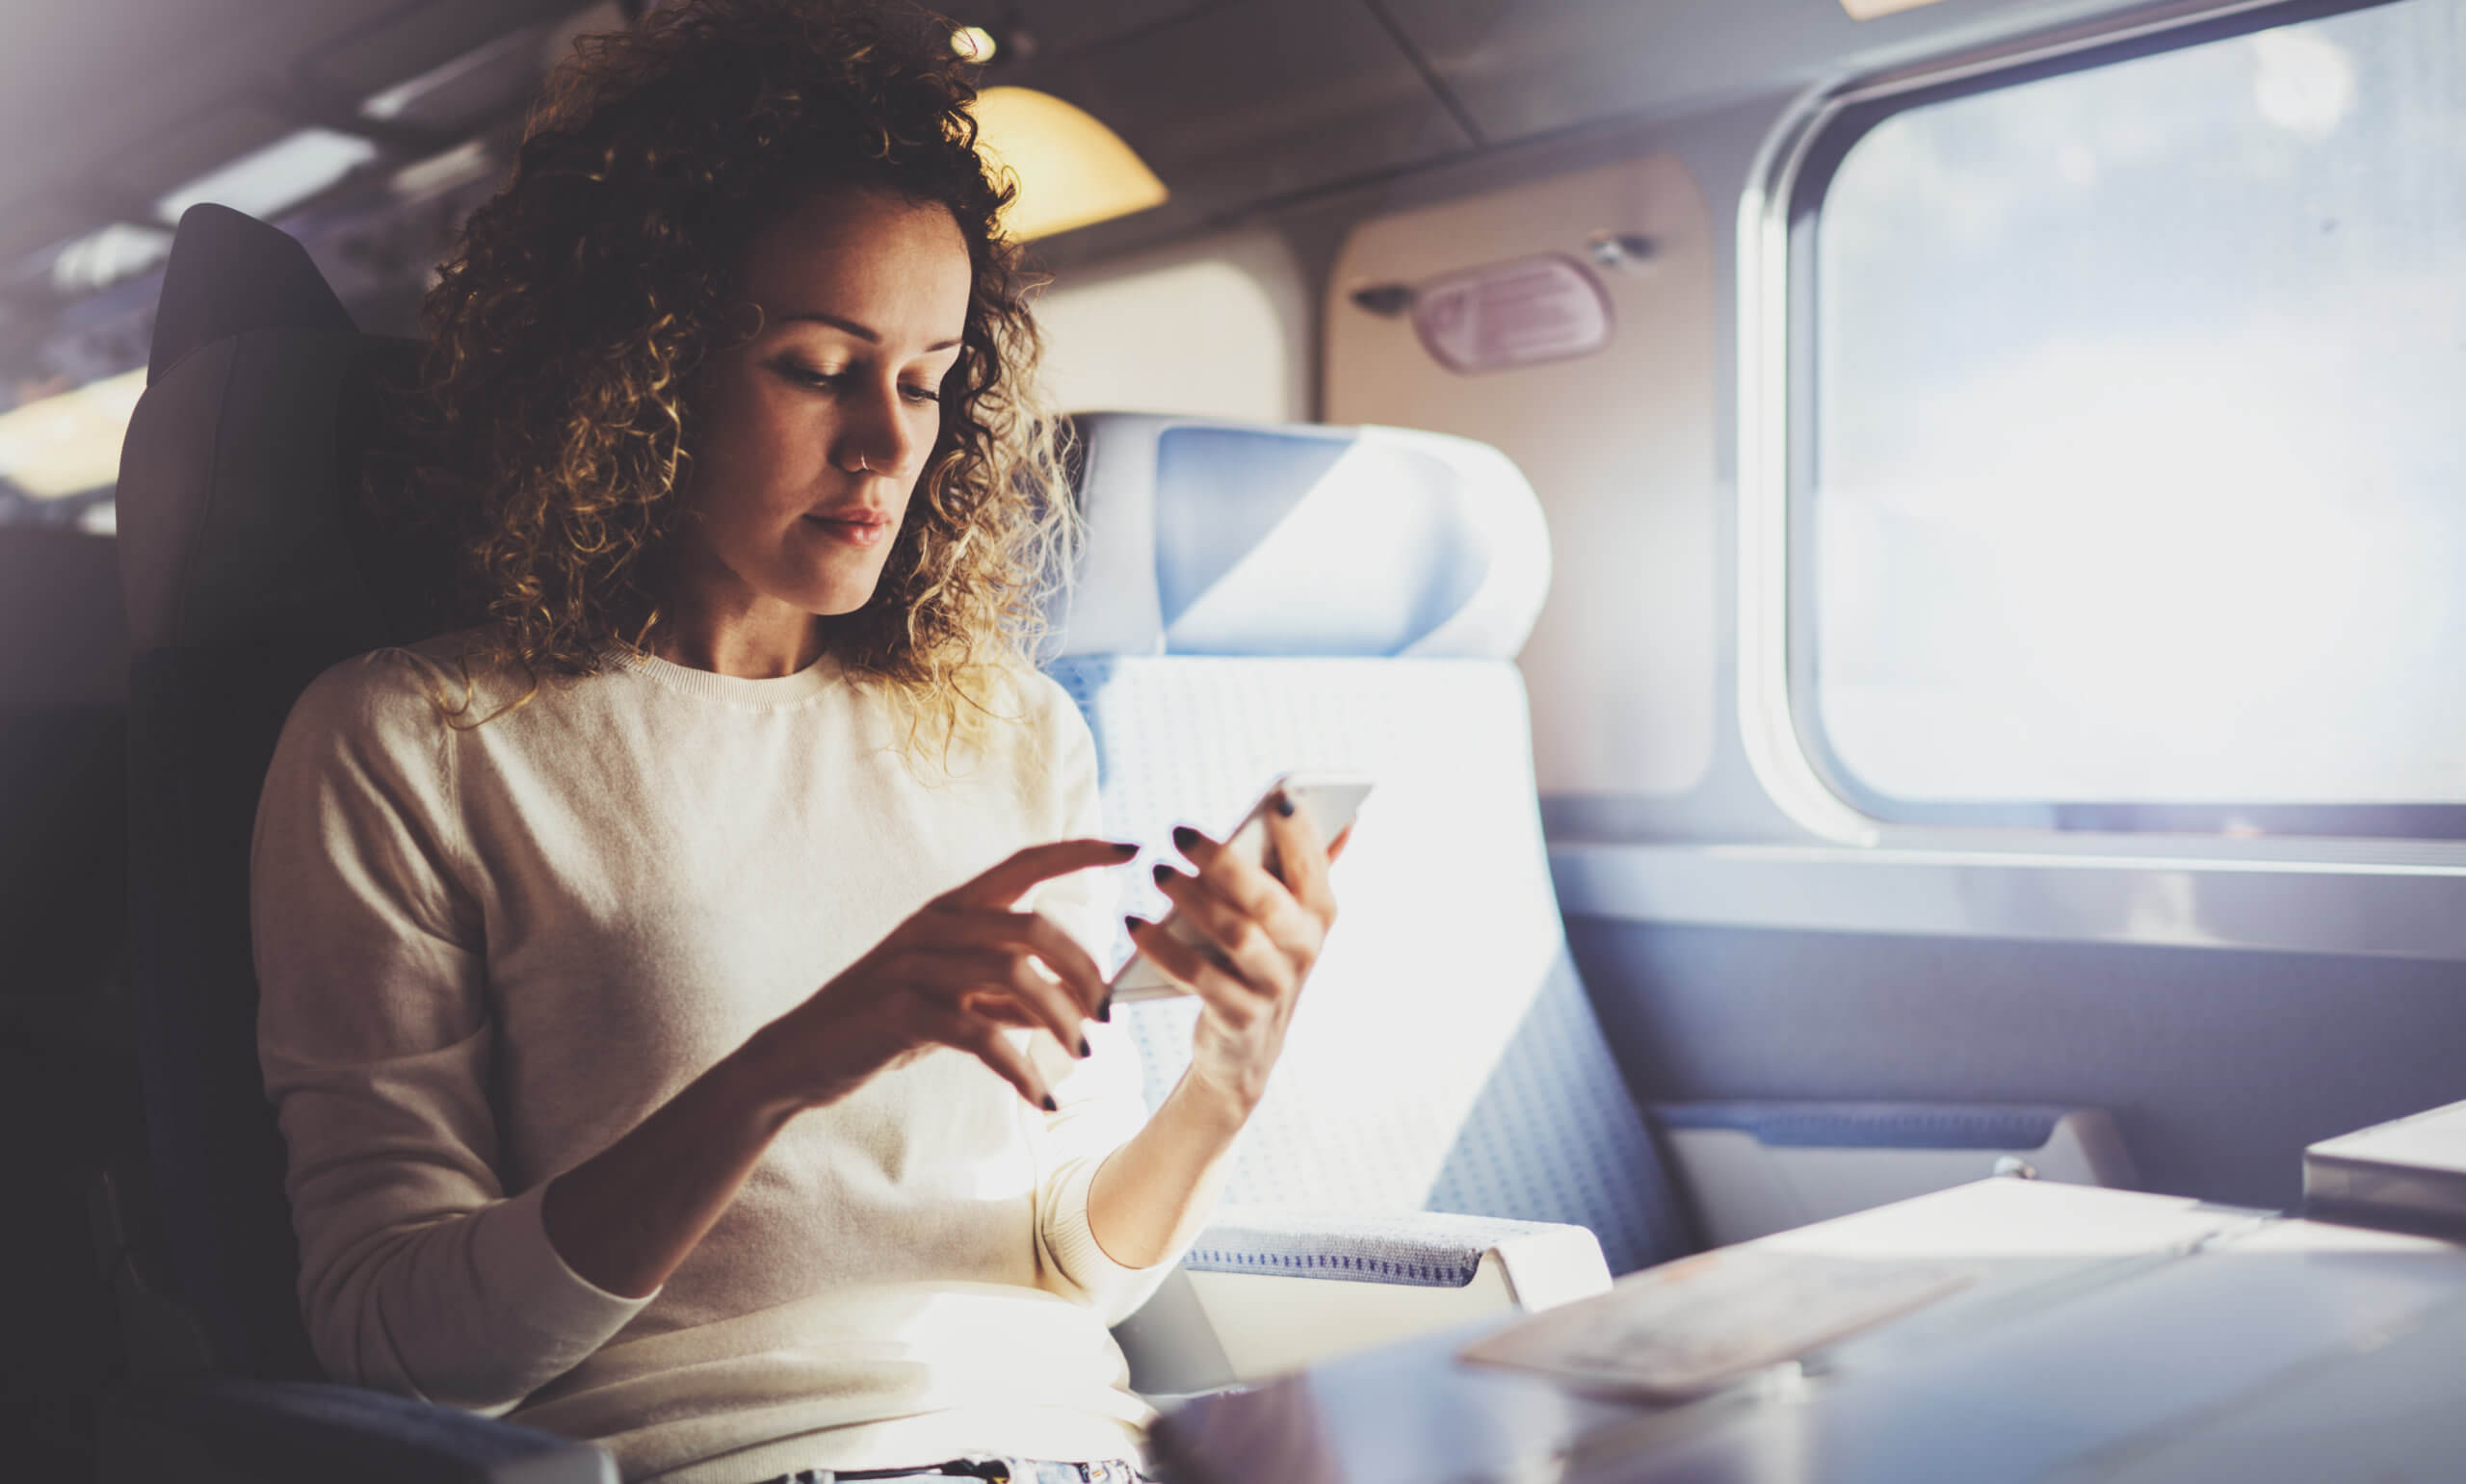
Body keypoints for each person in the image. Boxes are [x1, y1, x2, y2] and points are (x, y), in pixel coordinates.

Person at [249, 4, 1346, 1481]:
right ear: (637, 375)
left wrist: (1229, 1074)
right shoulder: (412, 744)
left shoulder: (1005, 725)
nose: (891, 448)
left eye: (929, 380)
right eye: (820, 367)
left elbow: (1068, 1263)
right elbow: (392, 1334)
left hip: (1080, 1447)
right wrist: (790, 1061)